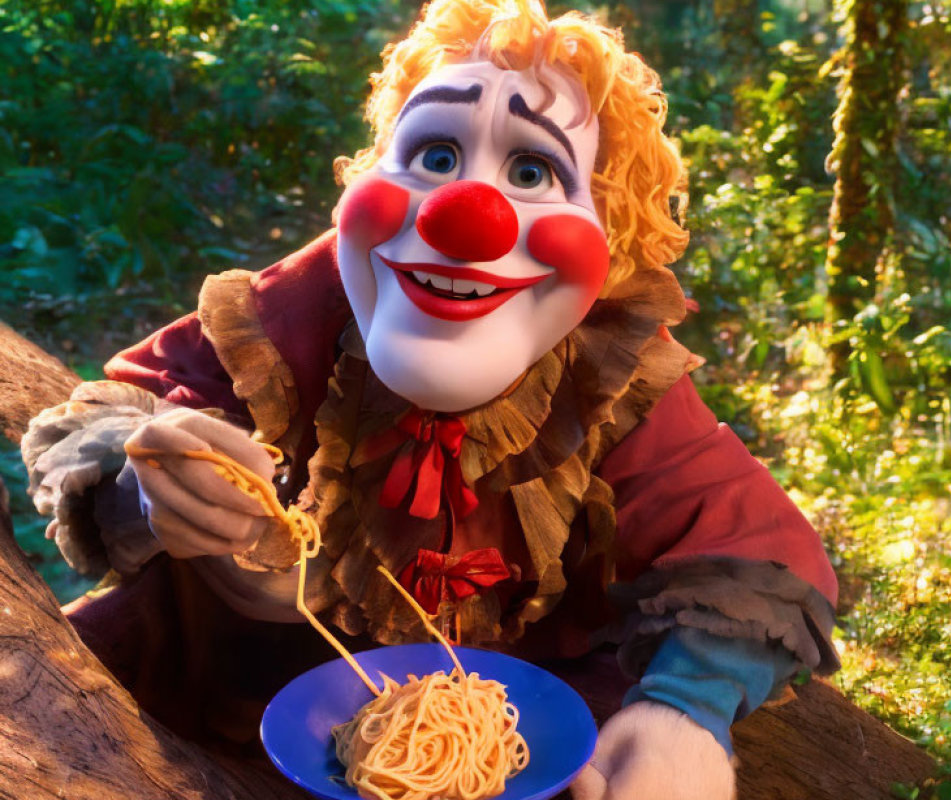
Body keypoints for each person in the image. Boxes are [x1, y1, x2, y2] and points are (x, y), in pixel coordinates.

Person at [22, 1, 838, 797]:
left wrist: (685, 712)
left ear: (611, 232)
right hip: (203, 702)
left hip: (513, 745)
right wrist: (153, 489)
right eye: (436, 156)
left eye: (532, 170)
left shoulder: (612, 369)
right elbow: (117, 417)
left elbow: (752, 550)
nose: (464, 218)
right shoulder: (288, 314)